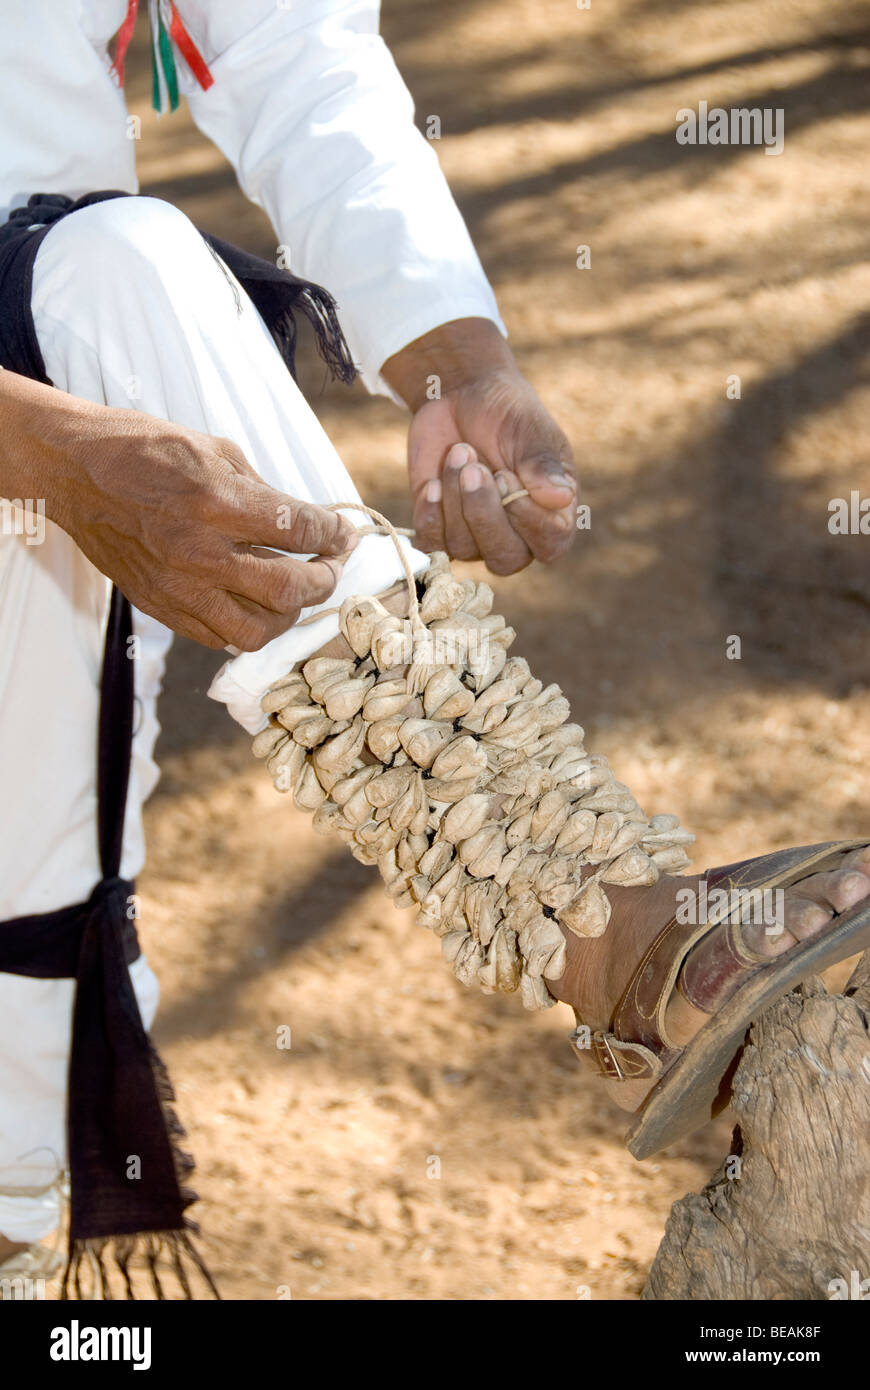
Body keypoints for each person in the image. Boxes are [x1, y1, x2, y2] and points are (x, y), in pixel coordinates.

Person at [0, 1, 867, 1295]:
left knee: (37, 908)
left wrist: (452, 354)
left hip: (62, 363)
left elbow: (289, 42)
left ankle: (583, 909)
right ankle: (587, 918)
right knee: (115, 267)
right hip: (46, 416)